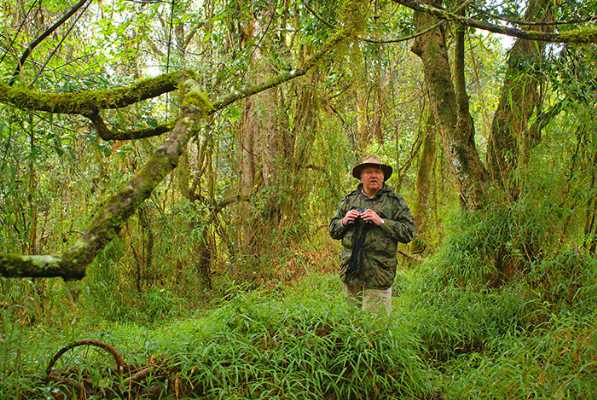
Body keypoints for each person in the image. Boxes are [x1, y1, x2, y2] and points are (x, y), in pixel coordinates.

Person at [329, 155, 416, 314]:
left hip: (378, 276)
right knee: (350, 323)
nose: (374, 175)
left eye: (378, 172)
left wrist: (381, 221)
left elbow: (408, 232)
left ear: (383, 176)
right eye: (369, 172)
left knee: (375, 326)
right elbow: (333, 230)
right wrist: (344, 221)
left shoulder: (394, 202)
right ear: (361, 177)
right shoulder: (349, 201)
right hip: (351, 274)